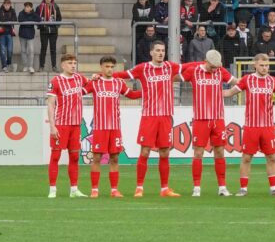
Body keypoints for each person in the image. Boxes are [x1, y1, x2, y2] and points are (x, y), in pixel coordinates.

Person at [126, 39, 181, 197]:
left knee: (165, 152)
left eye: (162, 50)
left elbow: (189, 67)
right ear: (151, 52)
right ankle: (139, 187)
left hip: (165, 116)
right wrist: (103, 76)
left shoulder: (170, 67)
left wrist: (205, 63)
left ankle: (165, 189)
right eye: (157, 50)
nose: (160, 53)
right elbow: (124, 74)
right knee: (145, 151)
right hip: (149, 116)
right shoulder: (143, 68)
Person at [181, 48, 237, 197]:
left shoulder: (220, 71)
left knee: (219, 152)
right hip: (200, 118)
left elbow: (237, 83)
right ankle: (197, 188)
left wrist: (230, 92)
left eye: (216, 67)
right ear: (205, 62)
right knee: (198, 153)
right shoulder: (193, 71)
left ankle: (222, 187)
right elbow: (176, 78)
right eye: (212, 67)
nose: (214, 70)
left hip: (218, 118)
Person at [84, 56, 135, 197]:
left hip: (115, 127)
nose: (110, 69)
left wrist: (148, 92)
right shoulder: (95, 83)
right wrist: (88, 79)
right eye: (107, 66)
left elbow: (131, 94)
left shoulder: (118, 83)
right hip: (100, 127)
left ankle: (114, 190)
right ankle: (94, 189)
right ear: (101, 67)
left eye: (112, 67)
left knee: (115, 158)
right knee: (97, 158)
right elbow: (79, 92)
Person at [236, 54, 275, 196]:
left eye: (267, 65)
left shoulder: (273, 81)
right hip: (251, 126)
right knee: (246, 157)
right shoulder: (247, 80)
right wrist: (215, 93)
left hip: (268, 126)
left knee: (272, 157)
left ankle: (274, 188)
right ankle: (243, 189)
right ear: (255, 65)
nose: (264, 68)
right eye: (262, 65)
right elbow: (231, 92)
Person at [45, 53, 87, 198]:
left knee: (74, 157)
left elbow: (91, 85)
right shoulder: (56, 81)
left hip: (76, 125)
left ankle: (74, 189)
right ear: (63, 65)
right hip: (61, 124)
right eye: (70, 63)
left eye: (75, 63)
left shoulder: (79, 78)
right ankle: (52, 189)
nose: (73, 65)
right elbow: (50, 104)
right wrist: (52, 125)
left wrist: (95, 77)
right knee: (55, 156)